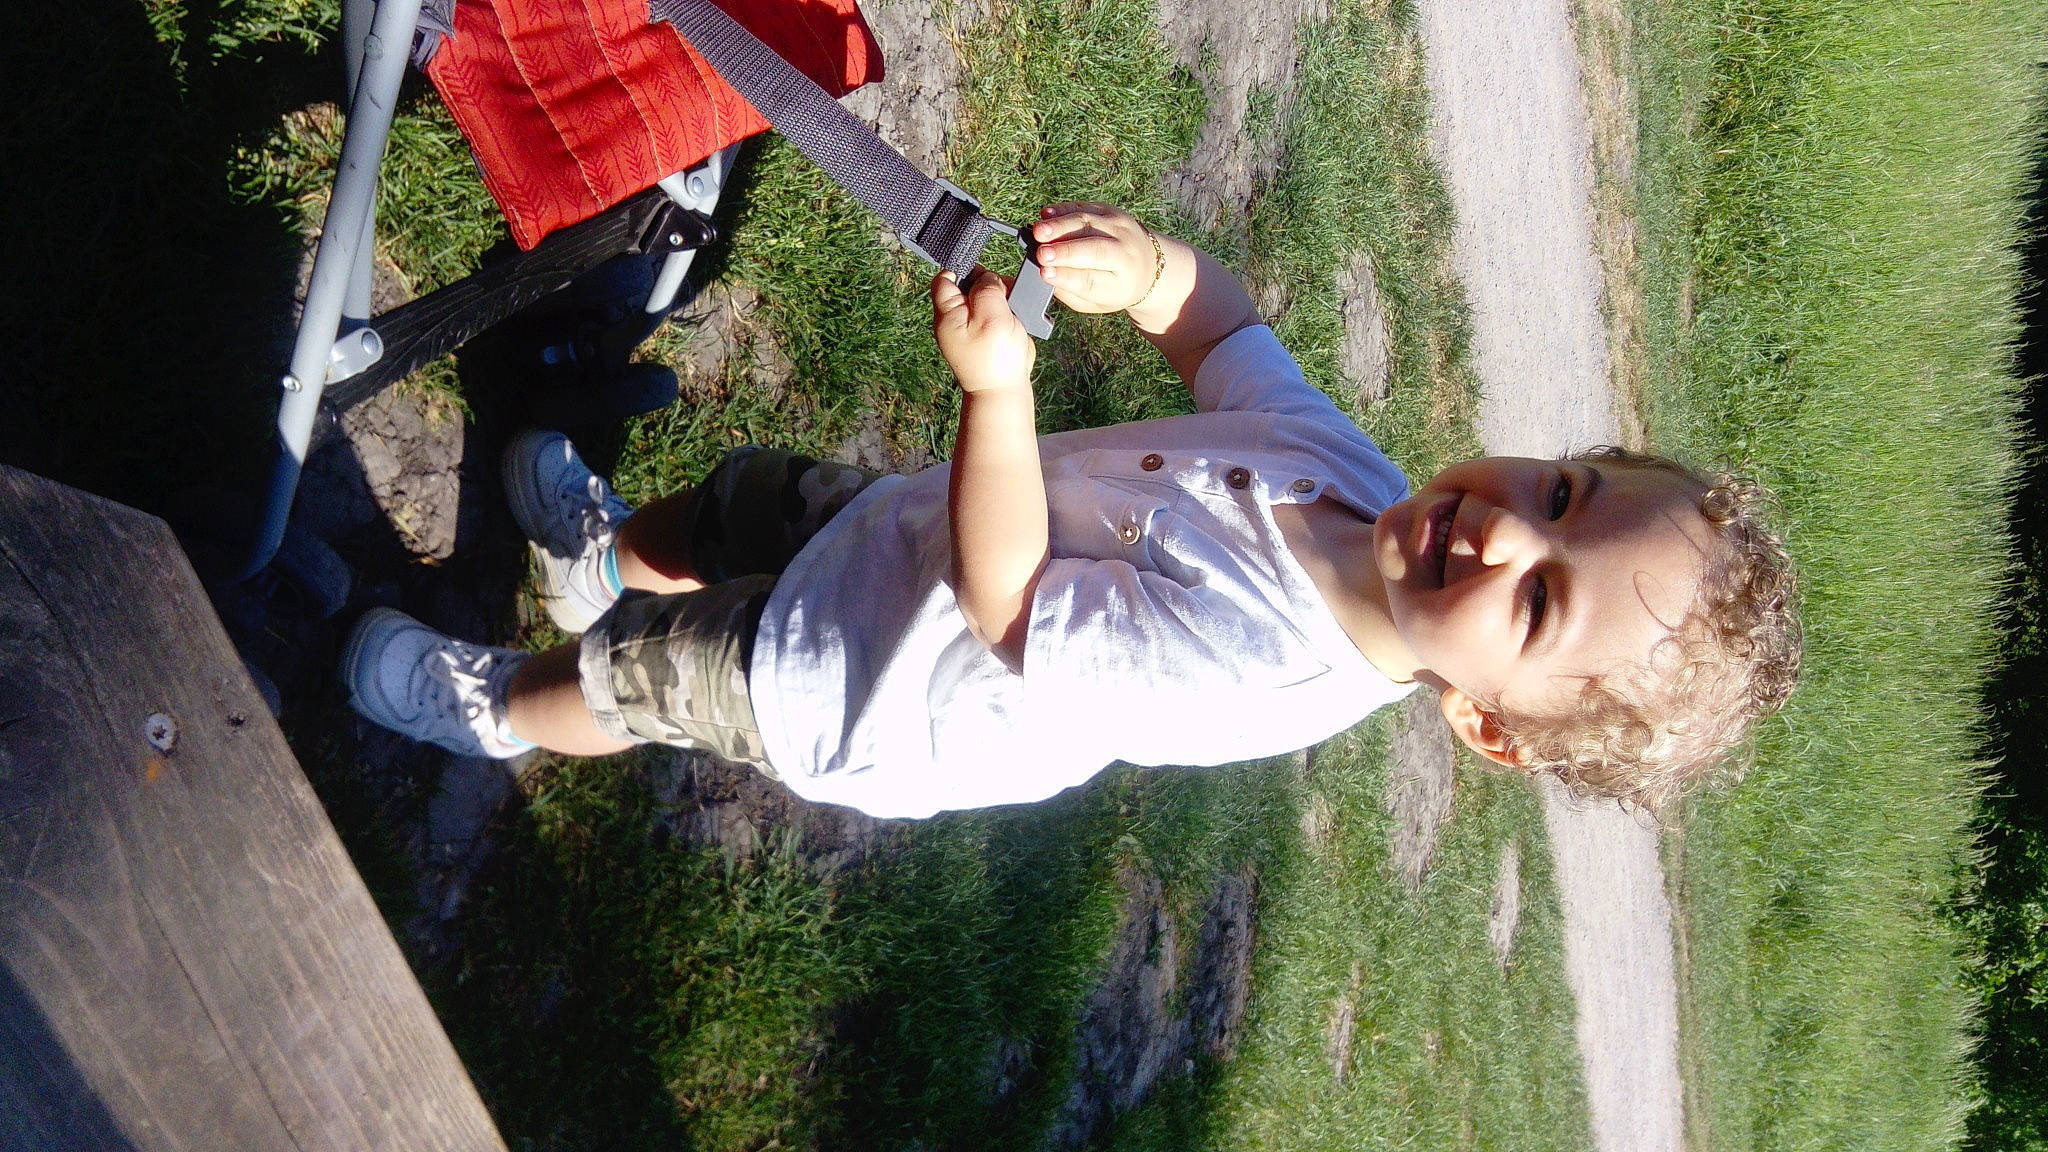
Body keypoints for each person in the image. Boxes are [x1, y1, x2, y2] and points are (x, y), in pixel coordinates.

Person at [341, 203, 1800, 818]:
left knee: (647, 677)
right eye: (1562, 492)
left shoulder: (1258, 675)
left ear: (1486, 725)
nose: (1508, 529)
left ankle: (502, 706)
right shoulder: (1351, 476)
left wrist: (998, 393)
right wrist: (1156, 270)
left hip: (863, 675)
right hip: (902, 528)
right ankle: (599, 556)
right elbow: (1227, 336)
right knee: (738, 507)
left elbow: (1016, 606)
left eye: (1538, 599)